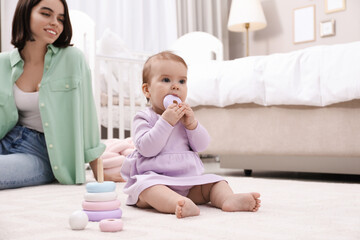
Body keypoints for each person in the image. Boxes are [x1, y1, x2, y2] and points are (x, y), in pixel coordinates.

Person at [120, 51, 261, 218]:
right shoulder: (144, 117)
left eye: (182, 81)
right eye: (166, 80)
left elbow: (202, 146)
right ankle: (176, 203)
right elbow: (147, 149)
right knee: (146, 188)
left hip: (189, 181)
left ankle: (228, 199)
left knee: (216, 181)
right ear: (147, 90)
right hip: (156, 179)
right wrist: (165, 122)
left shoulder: (185, 118)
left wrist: (192, 125)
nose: (175, 86)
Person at [0, 0, 122, 190]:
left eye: (61, 18)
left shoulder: (72, 59)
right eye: (46, 14)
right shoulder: (3, 63)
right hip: (8, 138)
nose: (55, 23)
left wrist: (100, 179)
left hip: (43, 152)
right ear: (25, 13)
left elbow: (87, 118)